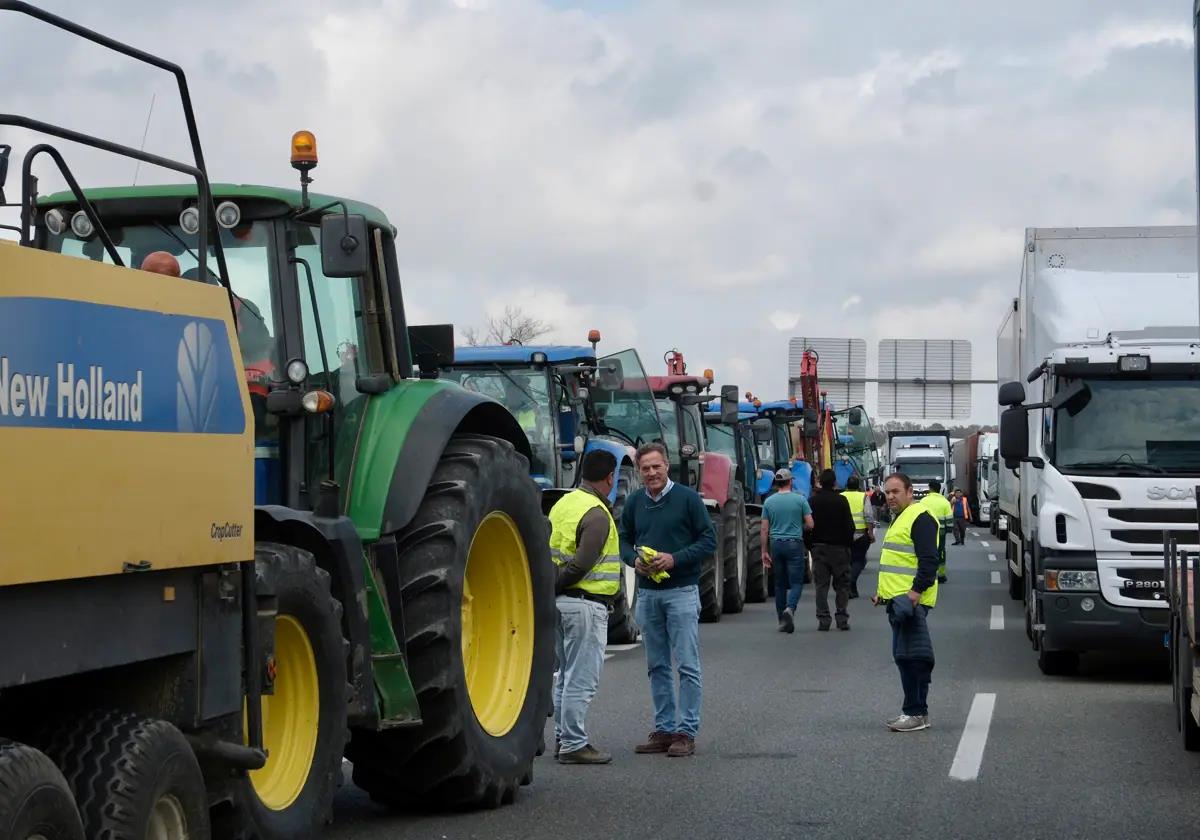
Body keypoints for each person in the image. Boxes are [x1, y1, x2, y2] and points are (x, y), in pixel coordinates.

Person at [619, 442, 716, 758]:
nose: (651, 473)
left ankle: (685, 732)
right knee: (657, 665)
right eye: (645, 468)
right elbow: (623, 539)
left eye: (656, 466)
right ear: (639, 471)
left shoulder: (688, 499)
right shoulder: (635, 502)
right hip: (648, 595)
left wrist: (675, 559)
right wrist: (633, 561)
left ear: (667, 466)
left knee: (687, 665)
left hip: (682, 593)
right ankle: (664, 730)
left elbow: (708, 541)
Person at [548, 450, 621, 764]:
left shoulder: (562, 504)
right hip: (585, 604)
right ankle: (574, 745)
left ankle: (562, 739)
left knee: (564, 676)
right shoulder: (596, 513)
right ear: (609, 478)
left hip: (559, 605)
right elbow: (581, 564)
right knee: (581, 679)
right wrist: (560, 583)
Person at [872, 473, 939, 732]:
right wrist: (882, 594)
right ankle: (917, 712)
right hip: (898, 601)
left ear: (910, 492)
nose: (890, 497)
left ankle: (915, 713)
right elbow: (897, 562)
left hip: (910, 602)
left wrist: (915, 593)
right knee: (910, 656)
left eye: (896, 492)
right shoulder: (901, 518)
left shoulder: (919, 518)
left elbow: (929, 560)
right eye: (887, 492)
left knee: (908, 658)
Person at [760, 467, 814, 633]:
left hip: (776, 544)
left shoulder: (769, 502)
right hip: (794, 544)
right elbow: (811, 524)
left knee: (779, 585)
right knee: (796, 582)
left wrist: (764, 551)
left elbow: (764, 529)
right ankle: (790, 609)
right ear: (790, 481)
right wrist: (799, 527)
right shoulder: (800, 500)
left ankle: (781, 620)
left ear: (777, 483)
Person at [805, 469, 856, 630]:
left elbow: (807, 527)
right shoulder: (841, 501)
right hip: (840, 549)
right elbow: (850, 526)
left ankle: (823, 619)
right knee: (842, 586)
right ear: (834, 482)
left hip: (819, 548)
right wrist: (848, 545)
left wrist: (810, 546)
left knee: (821, 586)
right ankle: (842, 618)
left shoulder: (812, 501)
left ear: (820, 482)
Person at [842, 475, 876, 599]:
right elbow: (868, 515)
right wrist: (871, 533)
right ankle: (851, 582)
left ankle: (852, 589)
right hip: (860, 533)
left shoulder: (841, 496)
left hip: (844, 534)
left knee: (849, 561)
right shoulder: (863, 497)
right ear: (858, 486)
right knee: (859, 560)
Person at [920, 480, 955, 584]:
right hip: (941, 532)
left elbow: (919, 517)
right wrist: (948, 529)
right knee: (940, 552)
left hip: (926, 533)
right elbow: (949, 519)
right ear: (940, 489)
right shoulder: (944, 502)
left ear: (930, 488)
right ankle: (941, 575)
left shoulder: (923, 501)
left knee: (925, 553)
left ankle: (925, 574)